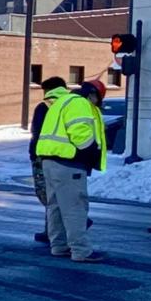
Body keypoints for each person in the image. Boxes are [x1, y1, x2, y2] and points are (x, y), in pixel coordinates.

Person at [36, 79, 108, 263]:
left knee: (56, 206)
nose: (96, 105)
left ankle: (59, 246)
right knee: (75, 207)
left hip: (49, 161)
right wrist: (89, 150)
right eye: (98, 101)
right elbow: (80, 132)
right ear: (93, 95)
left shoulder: (62, 101)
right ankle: (81, 251)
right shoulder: (80, 104)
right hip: (69, 162)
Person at [29, 77, 69, 243]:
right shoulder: (71, 104)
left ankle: (64, 223)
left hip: (42, 154)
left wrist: (35, 152)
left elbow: (36, 131)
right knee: (57, 191)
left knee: (46, 193)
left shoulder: (44, 106)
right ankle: (51, 230)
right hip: (65, 155)